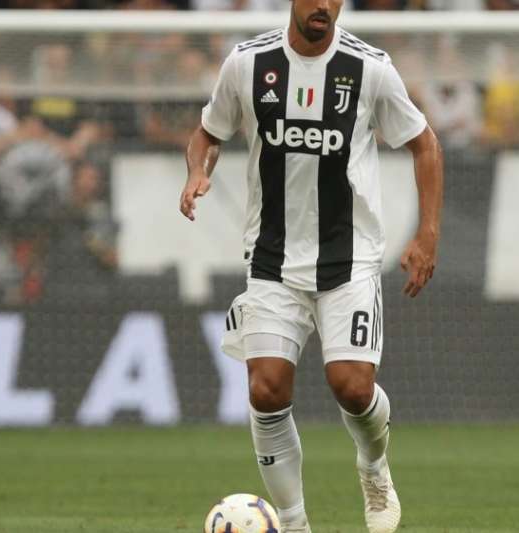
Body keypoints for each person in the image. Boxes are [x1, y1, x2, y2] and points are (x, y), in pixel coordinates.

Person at [179, 1, 443, 532]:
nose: (324, 5)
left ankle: (374, 467)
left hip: (349, 257)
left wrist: (428, 234)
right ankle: (294, 524)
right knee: (266, 389)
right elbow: (209, 133)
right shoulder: (247, 63)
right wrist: (196, 172)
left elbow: (425, 145)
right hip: (272, 258)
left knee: (353, 387)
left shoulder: (370, 68)